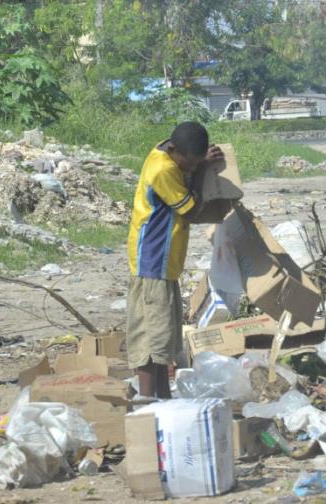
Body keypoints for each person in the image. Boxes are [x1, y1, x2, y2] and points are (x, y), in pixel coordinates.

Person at [125, 121, 223, 401]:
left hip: (165, 263)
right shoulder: (165, 169)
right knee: (150, 336)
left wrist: (196, 163)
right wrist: (203, 169)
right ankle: (148, 401)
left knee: (165, 334)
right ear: (173, 150)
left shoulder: (165, 152)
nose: (190, 168)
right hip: (152, 260)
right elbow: (190, 210)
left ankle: (164, 395)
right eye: (188, 163)